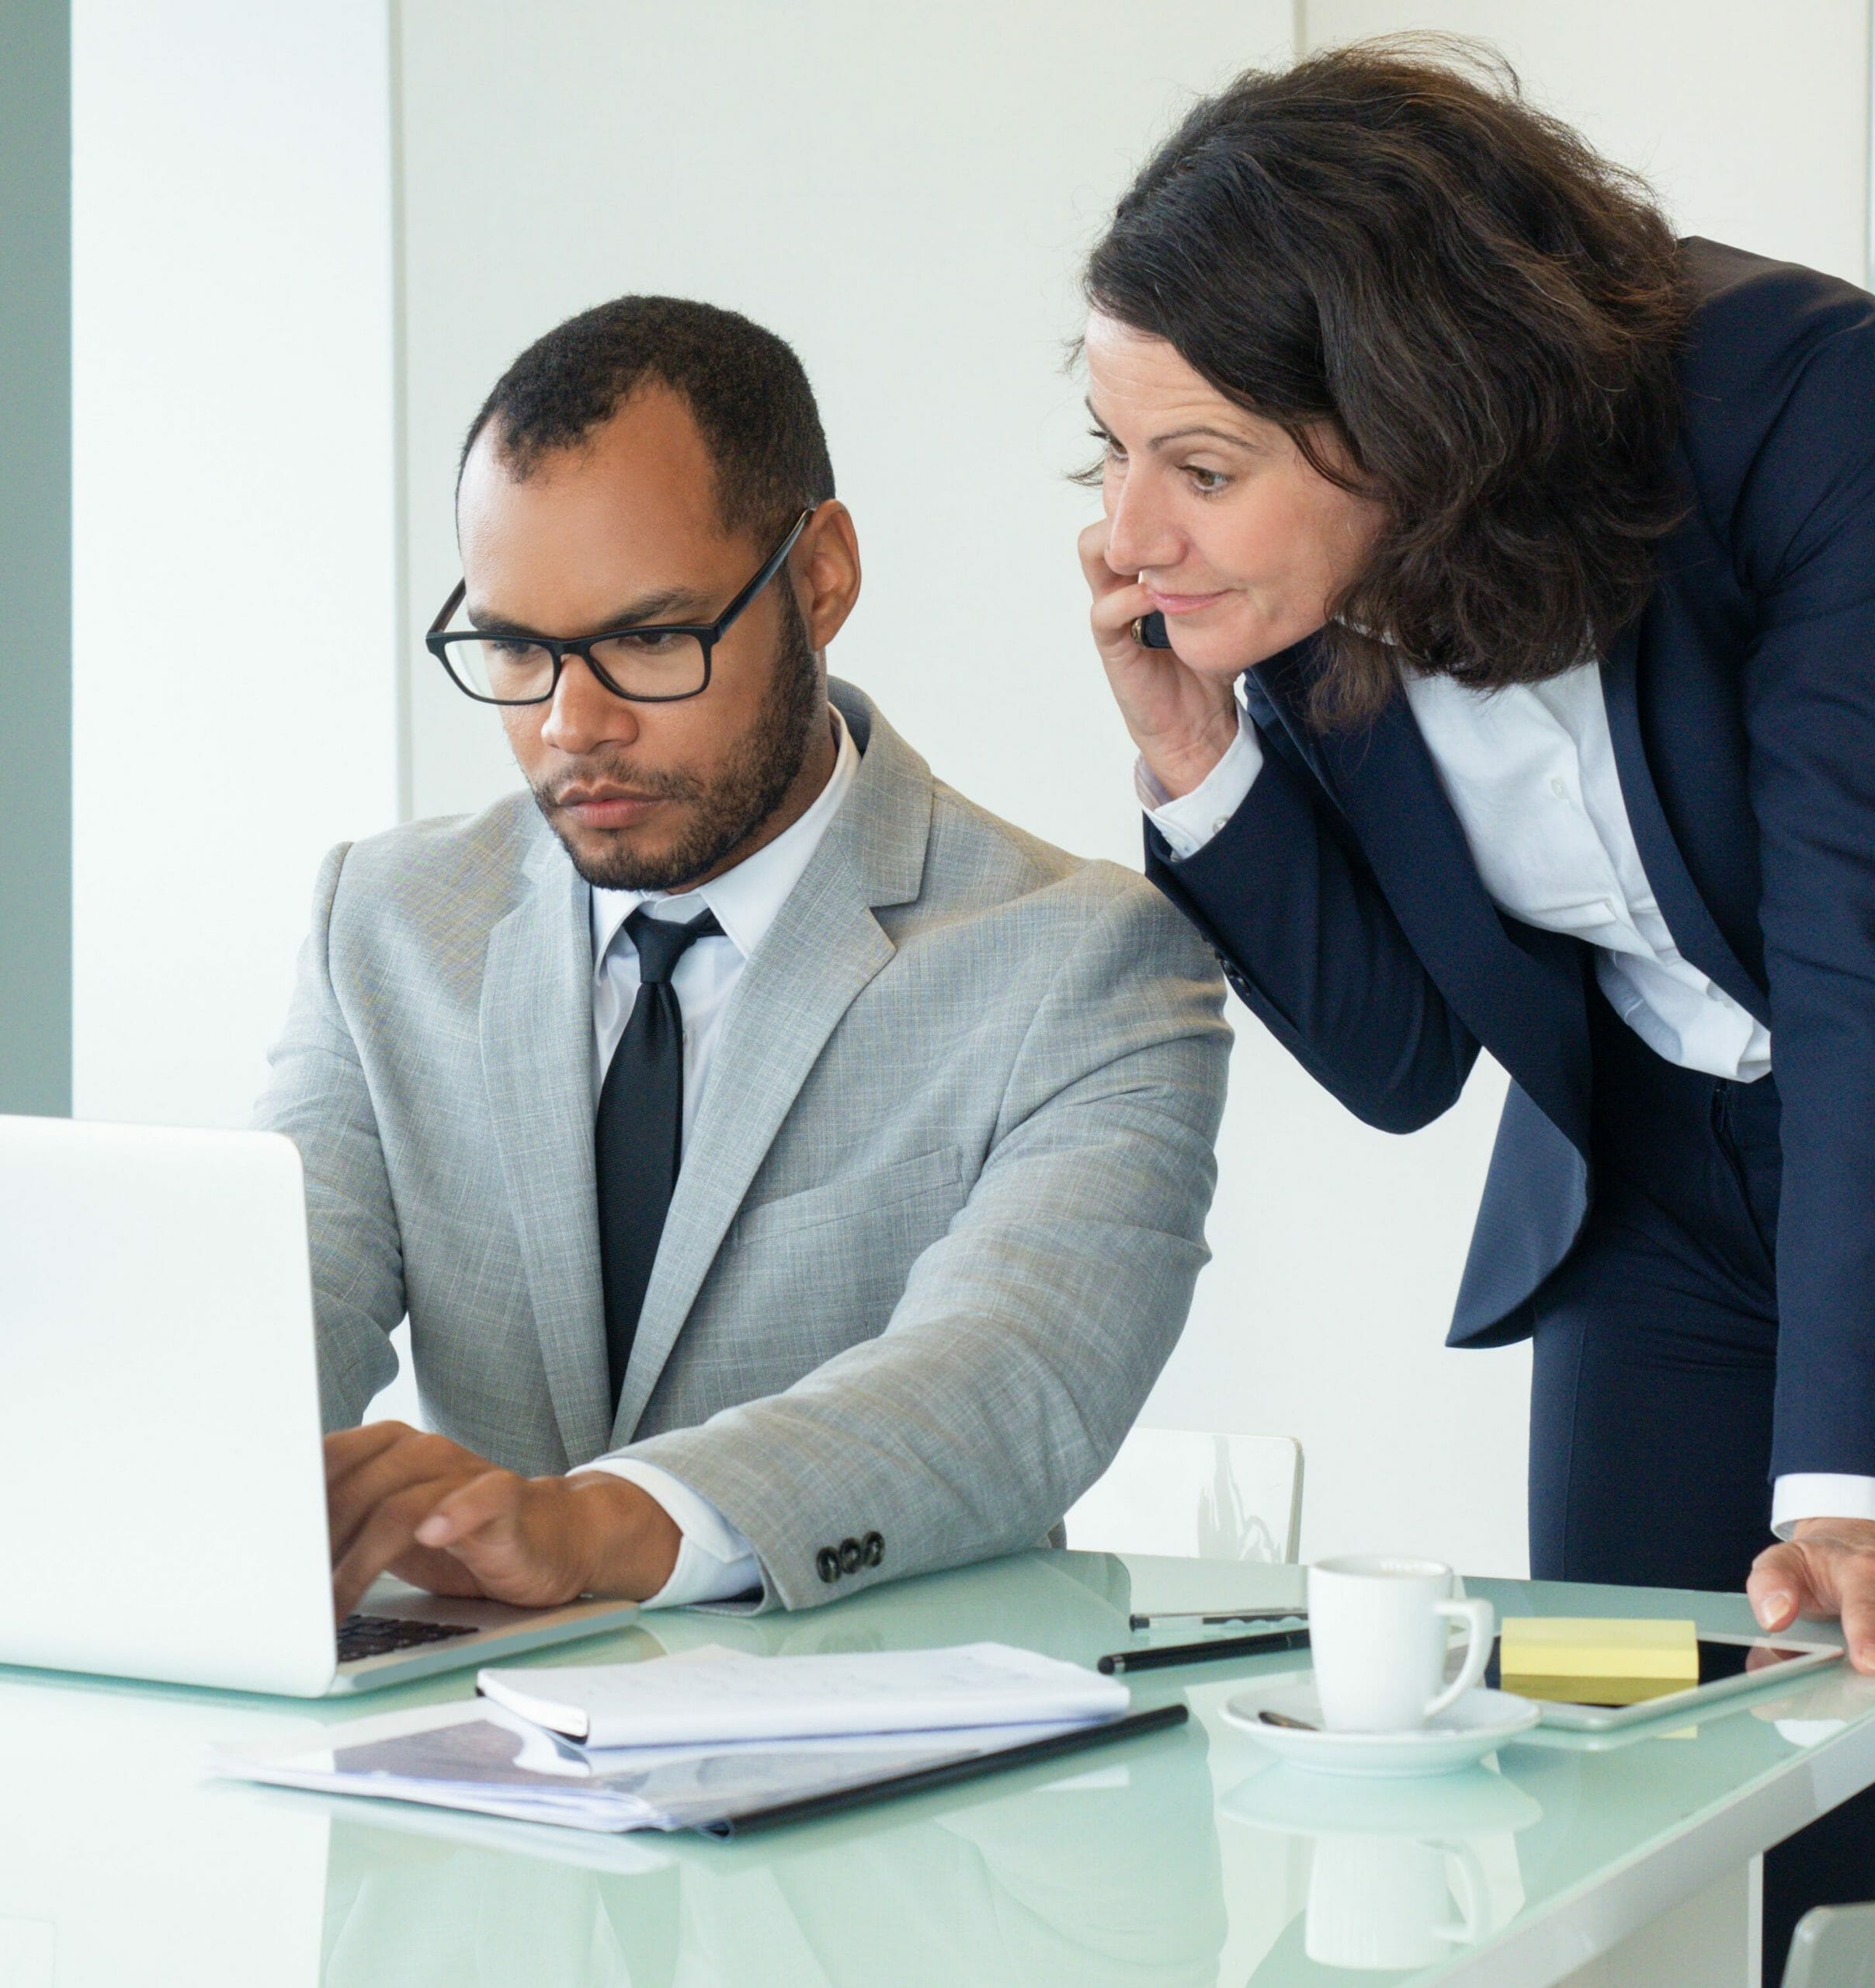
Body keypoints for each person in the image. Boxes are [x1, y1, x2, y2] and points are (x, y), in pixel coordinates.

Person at [1074, 40, 1875, 1964]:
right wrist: (1197, 767)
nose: (1127, 533)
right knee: (1622, 1800)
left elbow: (1873, 964)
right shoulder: (1306, 592)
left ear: (1405, 415)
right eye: (1112, 450)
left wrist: (1849, 1485)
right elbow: (1409, 1061)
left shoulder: (1804, 401)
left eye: (1199, 465)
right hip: (1648, 1184)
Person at [256, 296, 1229, 1624]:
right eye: (516, 650)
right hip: (463, 1770)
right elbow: (263, 1320)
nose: (570, 726)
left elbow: (1010, 1380)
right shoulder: (384, 922)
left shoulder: (1083, 962)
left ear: (818, 578)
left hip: (895, 1789)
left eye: (651, 639)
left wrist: (594, 1524)